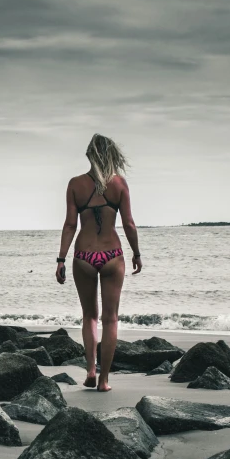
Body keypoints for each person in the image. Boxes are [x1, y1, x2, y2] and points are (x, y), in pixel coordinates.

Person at [55, 133, 142, 392]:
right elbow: (128, 224)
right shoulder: (119, 184)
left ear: (89, 156)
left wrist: (60, 259)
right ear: (112, 156)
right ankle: (104, 381)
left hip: (83, 256)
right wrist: (137, 253)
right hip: (112, 256)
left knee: (90, 316)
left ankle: (91, 371)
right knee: (111, 319)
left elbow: (70, 225)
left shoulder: (75, 184)